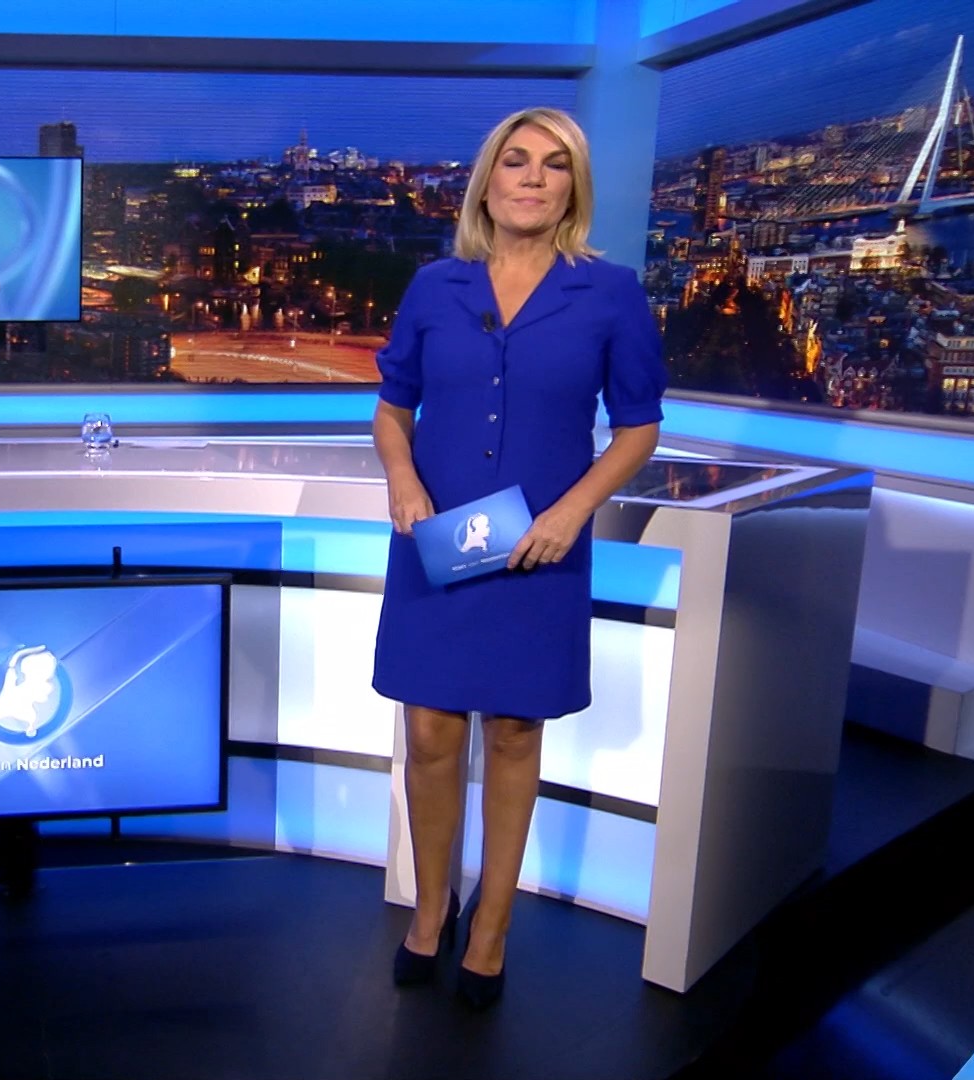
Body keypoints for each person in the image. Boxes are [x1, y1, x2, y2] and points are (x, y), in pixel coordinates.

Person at [371, 107, 667, 1009]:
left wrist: (574, 510)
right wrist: (401, 479)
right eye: (516, 161)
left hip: (542, 544)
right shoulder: (436, 285)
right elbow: (392, 408)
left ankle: (491, 928)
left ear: (574, 187)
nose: (533, 178)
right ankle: (432, 910)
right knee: (429, 730)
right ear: (487, 181)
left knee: (512, 730)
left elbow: (640, 427)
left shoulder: (609, 293)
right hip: (440, 538)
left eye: (554, 164)